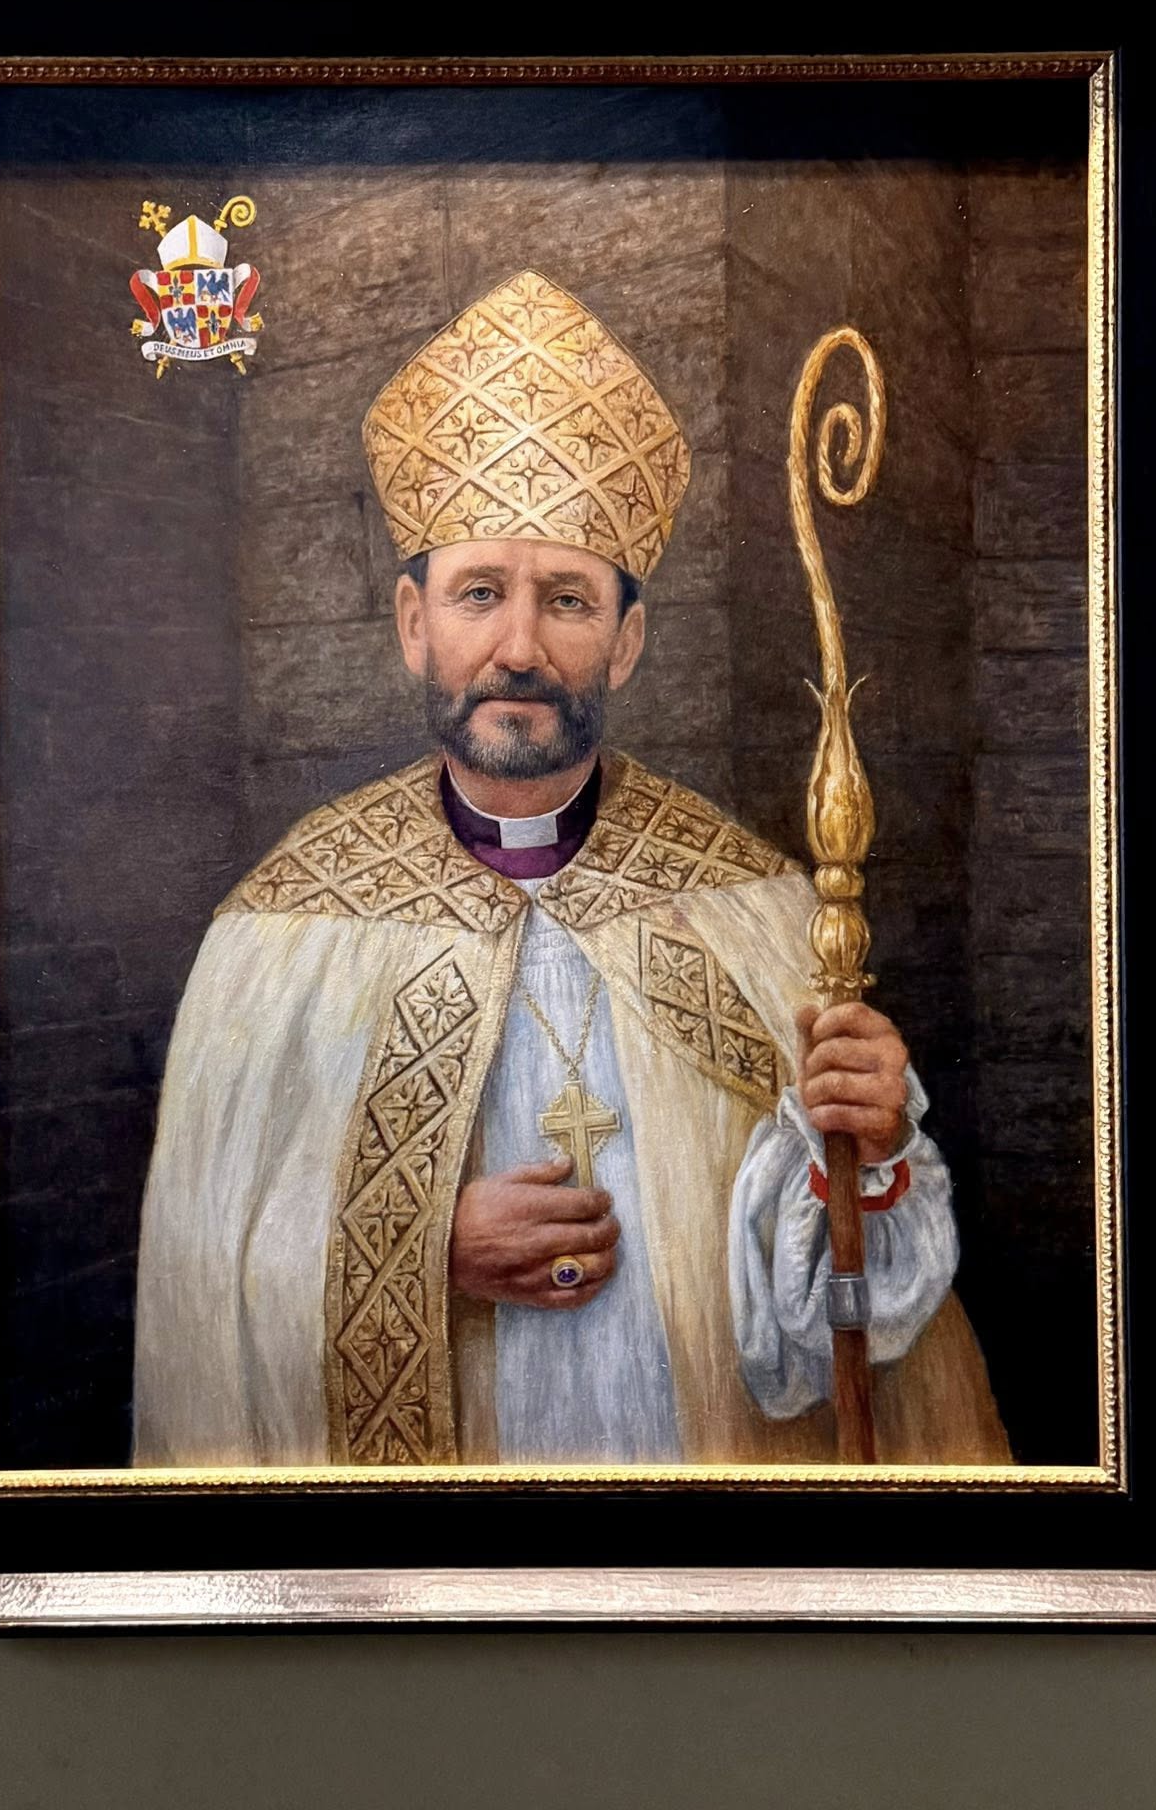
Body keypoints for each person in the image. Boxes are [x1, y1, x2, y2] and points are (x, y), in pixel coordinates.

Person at [132, 269, 1008, 1469]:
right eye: (479, 594)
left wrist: (874, 1152)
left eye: (567, 600)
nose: (519, 646)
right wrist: (421, 1251)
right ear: (413, 623)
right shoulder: (282, 931)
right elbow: (195, 1289)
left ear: (626, 639)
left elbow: (844, 1323)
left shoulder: (754, 909)